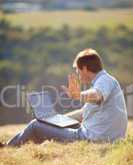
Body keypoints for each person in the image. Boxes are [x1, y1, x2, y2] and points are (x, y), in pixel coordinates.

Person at [0, 48, 128, 147]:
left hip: (94, 138)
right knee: (47, 125)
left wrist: (79, 95)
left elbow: (97, 95)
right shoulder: (107, 80)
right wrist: (58, 120)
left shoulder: (104, 81)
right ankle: (28, 144)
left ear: (84, 68)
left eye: (77, 70)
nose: (77, 74)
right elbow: (84, 112)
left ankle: (8, 148)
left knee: (35, 125)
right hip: (104, 136)